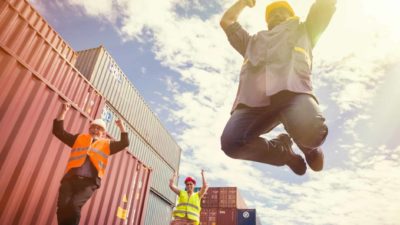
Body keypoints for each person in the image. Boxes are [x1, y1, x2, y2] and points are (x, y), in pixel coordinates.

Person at [219, 0, 336, 175]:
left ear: (292, 16)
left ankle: (308, 146)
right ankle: (284, 153)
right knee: (231, 143)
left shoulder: (306, 30)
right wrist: (243, 2)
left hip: (294, 95)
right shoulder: (251, 42)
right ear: (267, 22)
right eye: (272, 13)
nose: (276, 14)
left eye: (282, 11)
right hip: (255, 104)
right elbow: (227, 21)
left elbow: (324, 5)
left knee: (313, 133)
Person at [52, 102, 129, 225]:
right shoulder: (79, 139)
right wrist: (63, 112)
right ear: (89, 129)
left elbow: (124, 143)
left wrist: (121, 127)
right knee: (62, 206)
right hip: (70, 179)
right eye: (93, 127)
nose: (95, 130)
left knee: (74, 206)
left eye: (99, 129)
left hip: (89, 183)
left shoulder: (107, 145)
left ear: (103, 133)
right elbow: (58, 132)